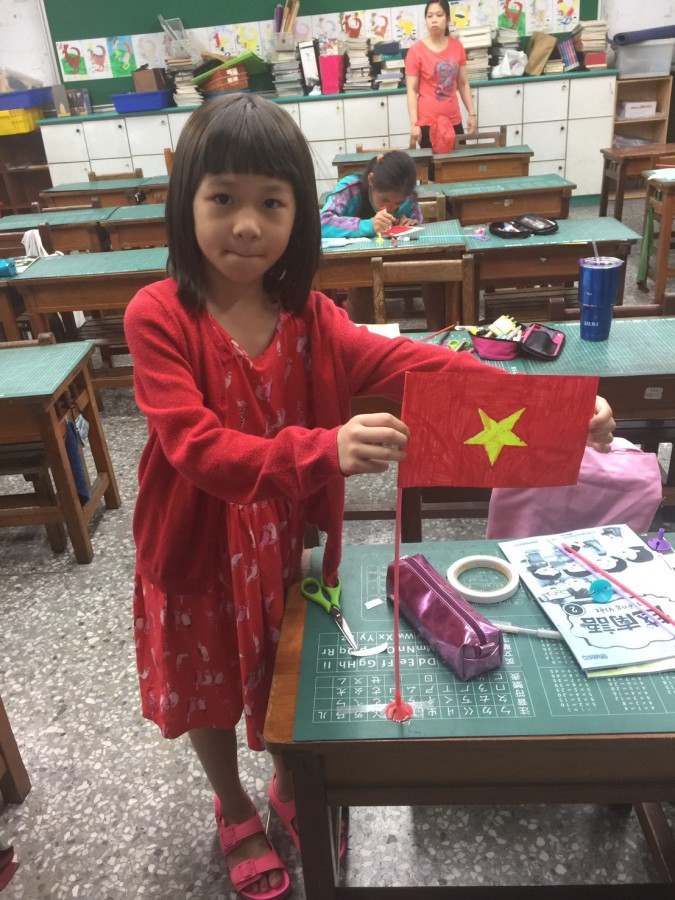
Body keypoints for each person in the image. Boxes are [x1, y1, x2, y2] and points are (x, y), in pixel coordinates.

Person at [123, 92, 615, 900]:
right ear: (187, 203)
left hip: (284, 545)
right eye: (222, 199)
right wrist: (324, 449)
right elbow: (195, 448)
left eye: (271, 203)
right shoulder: (159, 316)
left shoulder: (310, 318)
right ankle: (232, 805)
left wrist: (548, 406)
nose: (245, 225)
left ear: (300, 215)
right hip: (197, 546)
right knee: (208, 690)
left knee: (283, 676)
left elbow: (421, 365)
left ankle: (289, 779)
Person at [319, 150, 425, 324]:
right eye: (384, 200)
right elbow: (321, 222)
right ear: (371, 181)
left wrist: (411, 222)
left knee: (437, 272)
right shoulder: (351, 188)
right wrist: (368, 225)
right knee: (362, 282)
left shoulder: (406, 194)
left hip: (396, 257)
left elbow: (419, 220)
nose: (390, 208)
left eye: (397, 203)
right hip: (357, 263)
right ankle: (357, 334)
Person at [405, 0, 478, 151]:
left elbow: (463, 83)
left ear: (448, 18)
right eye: (430, 16)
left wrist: (472, 114)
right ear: (425, 20)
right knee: (431, 165)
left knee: (457, 163)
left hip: (453, 120)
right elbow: (411, 89)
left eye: (439, 15)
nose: (434, 20)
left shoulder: (457, 46)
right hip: (427, 123)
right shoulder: (415, 51)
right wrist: (414, 123)